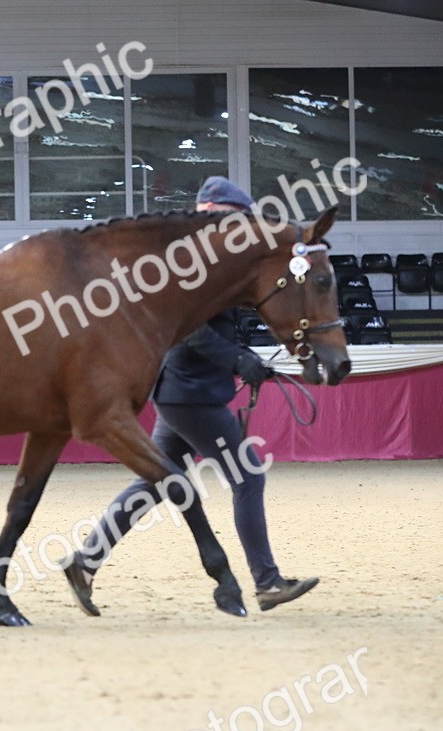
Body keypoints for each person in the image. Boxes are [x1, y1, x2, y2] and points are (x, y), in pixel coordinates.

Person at [61, 176, 319, 615]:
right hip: (190, 392)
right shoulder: (195, 260)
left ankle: (85, 562)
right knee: (248, 477)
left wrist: (246, 356)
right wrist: (240, 362)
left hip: (180, 390)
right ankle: (267, 581)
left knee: (152, 483)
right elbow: (191, 333)